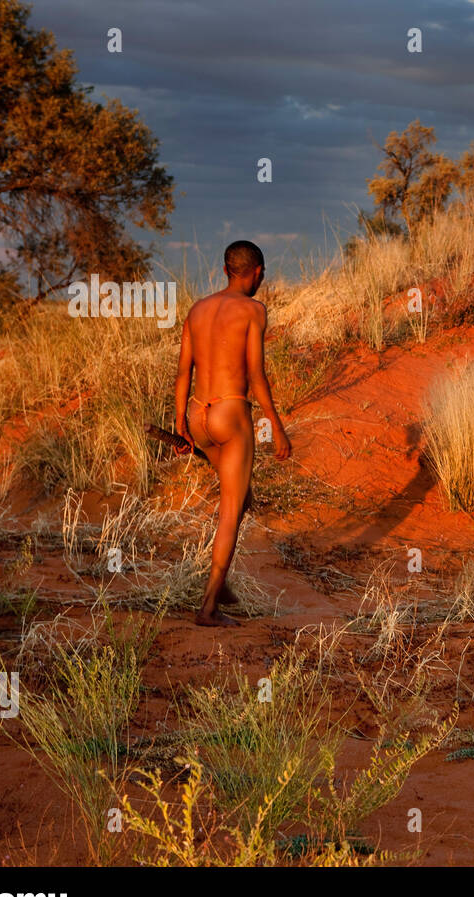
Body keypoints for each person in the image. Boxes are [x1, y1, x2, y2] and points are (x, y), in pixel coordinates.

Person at [174, 240, 291, 626]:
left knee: (241, 497)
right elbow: (256, 374)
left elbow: (183, 371)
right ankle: (209, 607)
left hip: (197, 414)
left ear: (227, 269)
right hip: (230, 411)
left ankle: (219, 584)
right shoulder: (253, 310)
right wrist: (276, 425)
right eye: (262, 273)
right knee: (230, 508)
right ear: (256, 271)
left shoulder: (198, 309)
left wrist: (179, 421)